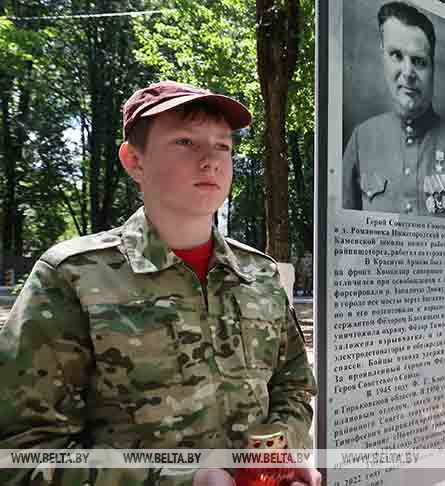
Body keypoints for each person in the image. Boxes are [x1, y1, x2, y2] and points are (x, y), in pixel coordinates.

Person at [0, 81, 320, 485]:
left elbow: (292, 386)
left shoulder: (258, 273)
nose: (211, 161)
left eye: (223, 145)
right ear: (134, 160)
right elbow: (22, 454)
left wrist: (281, 457)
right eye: (185, 142)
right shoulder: (73, 277)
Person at [343, 1, 445, 217]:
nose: (408, 72)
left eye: (419, 61)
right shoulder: (361, 139)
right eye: (397, 56)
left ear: (433, 67)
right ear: (383, 56)